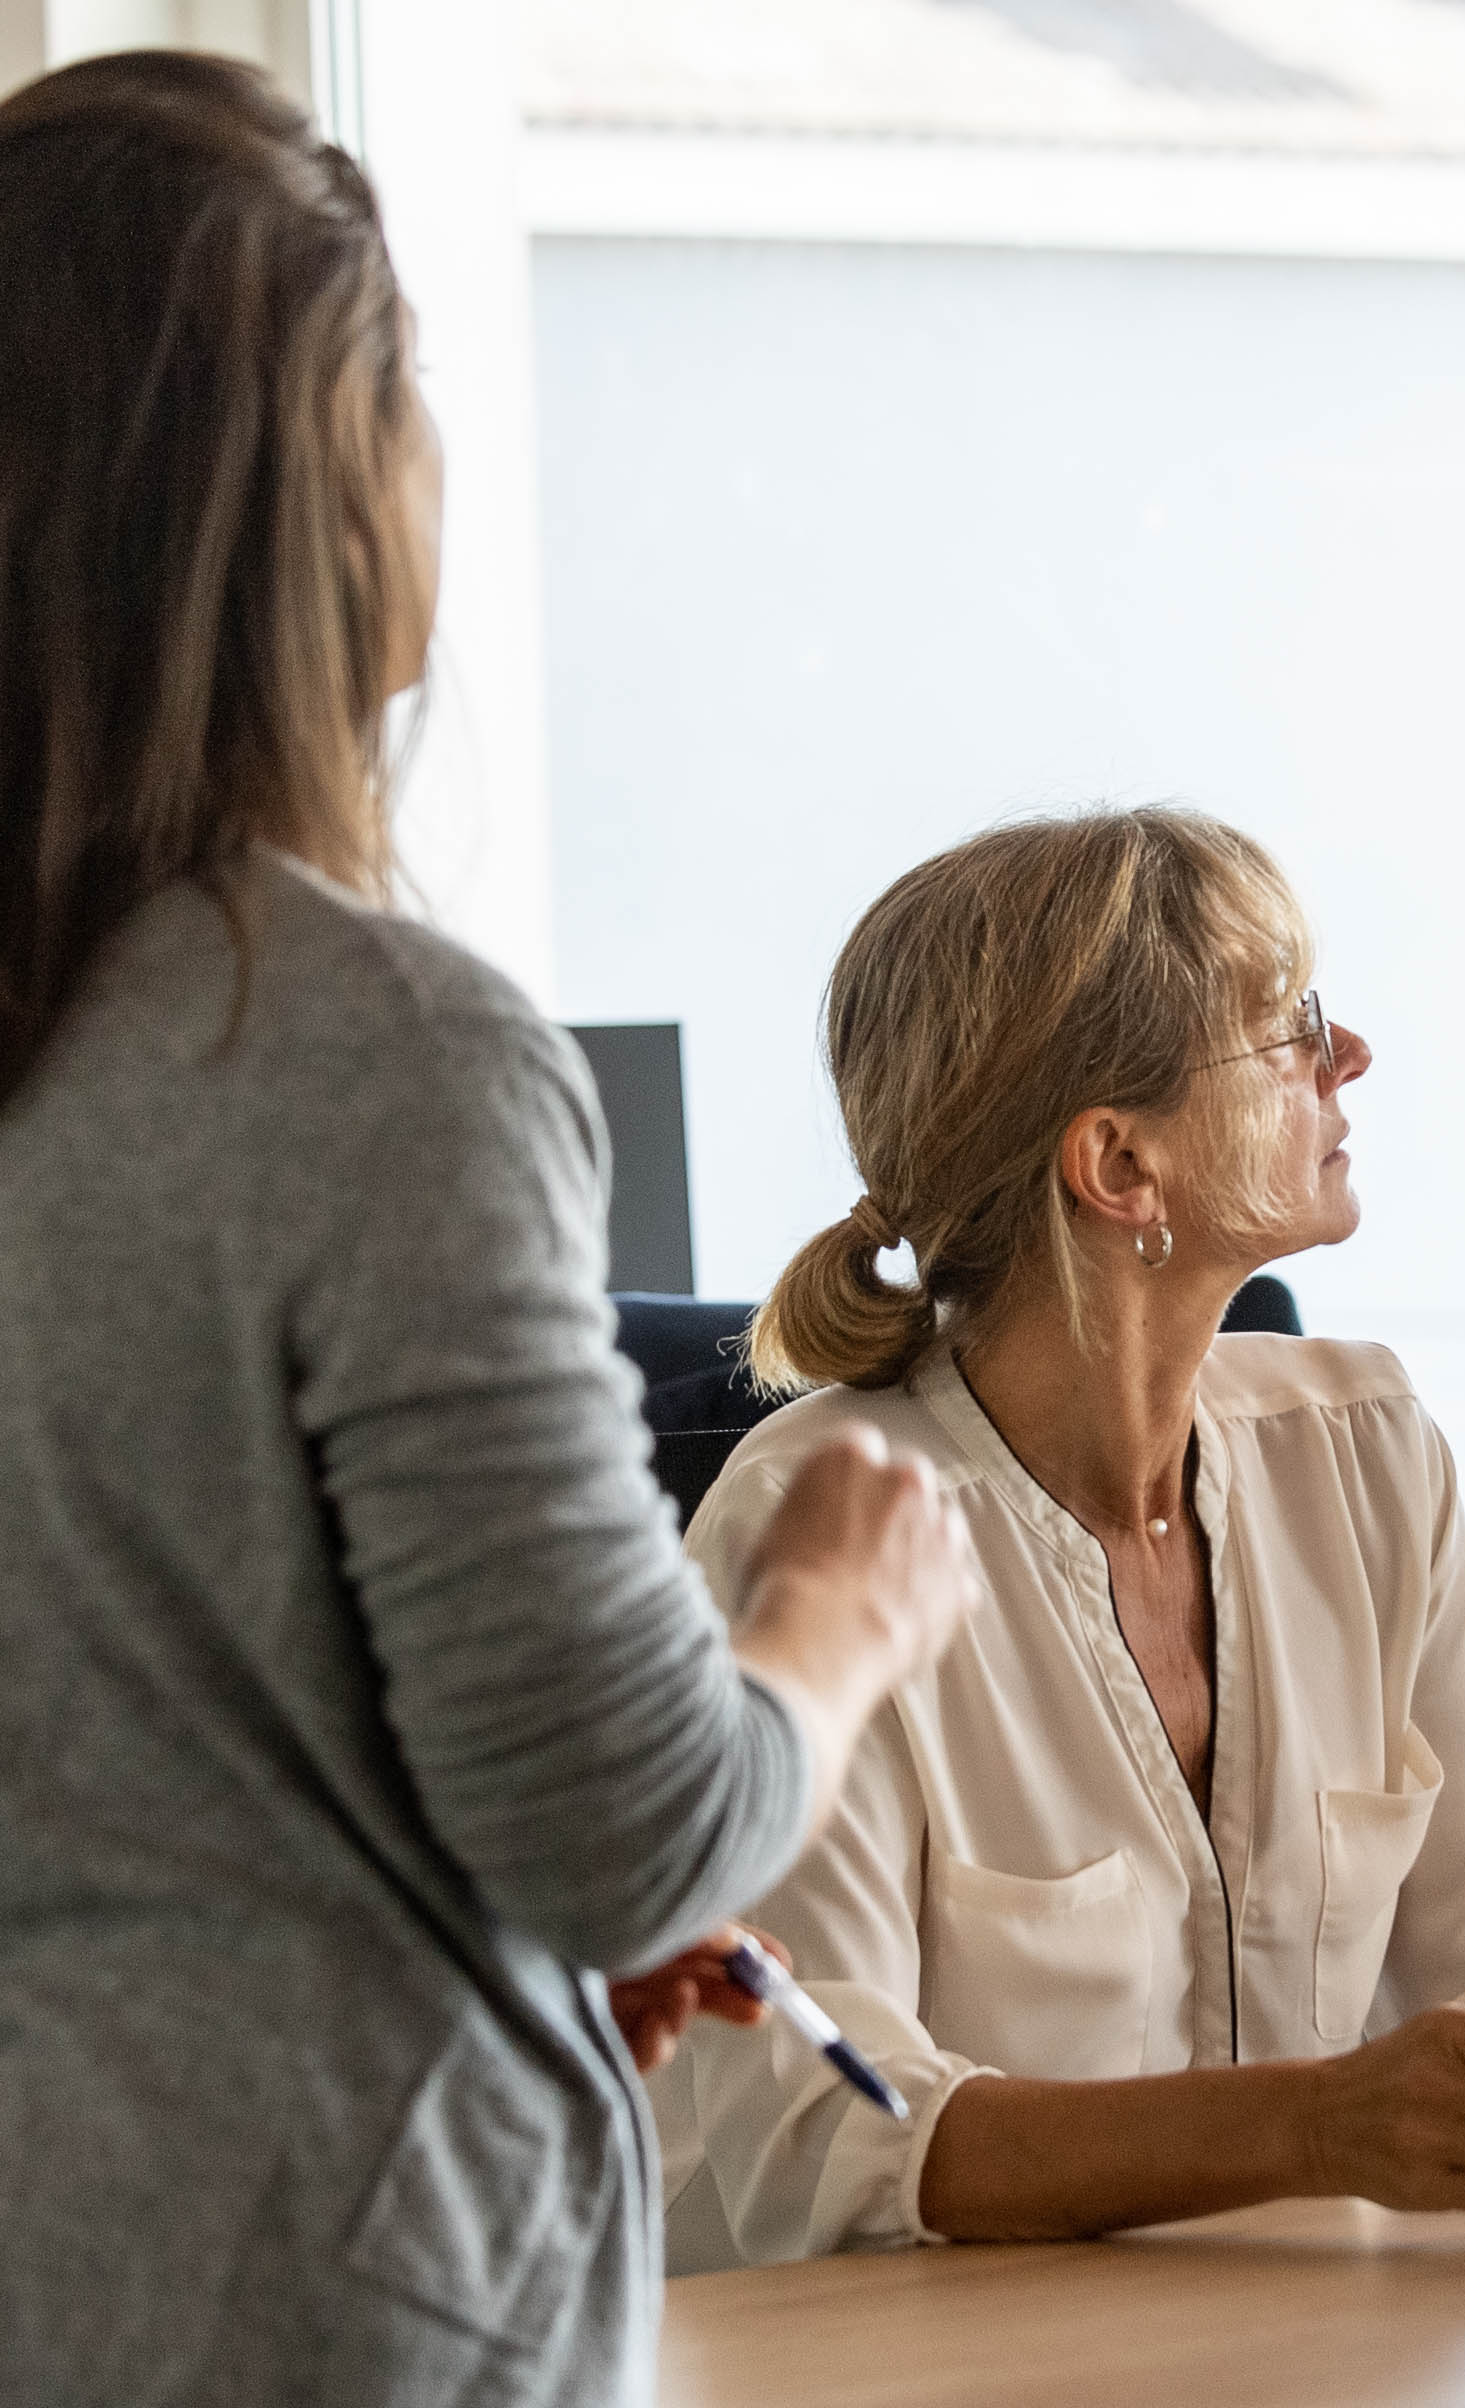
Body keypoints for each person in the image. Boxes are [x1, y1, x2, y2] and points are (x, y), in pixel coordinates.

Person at [0, 53, 981, 2406]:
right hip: (309, 2307)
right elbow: (644, 1825)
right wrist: (824, 1621)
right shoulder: (375, 1053)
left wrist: (474, 1929)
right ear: (310, 494)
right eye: (411, 383)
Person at [654, 809, 1465, 2266]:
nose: (1346, 1058)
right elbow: (819, 2143)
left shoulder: (1364, 1449)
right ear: (1119, 1164)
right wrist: (1312, 2124)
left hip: (1297, 2337)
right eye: (1289, 1027)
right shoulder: (808, 1533)